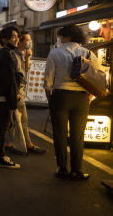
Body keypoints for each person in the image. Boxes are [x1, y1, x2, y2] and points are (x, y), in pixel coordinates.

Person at [44, 25, 98, 180]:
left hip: (61, 96)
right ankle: (77, 170)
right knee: (77, 136)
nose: (60, 39)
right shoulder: (88, 53)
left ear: (67, 36)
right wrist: (89, 97)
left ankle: (62, 169)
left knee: (60, 135)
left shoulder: (55, 52)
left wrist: (50, 97)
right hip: (81, 98)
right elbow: (97, 77)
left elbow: (48, 79)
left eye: (61, 36)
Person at [5, 32, 46, 155]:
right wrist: (16, 92)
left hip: (20, 89)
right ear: (20, 41)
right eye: (27, 40)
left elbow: (26, 69)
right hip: (16, 90)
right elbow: (14, 75)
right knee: (21, 118)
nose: (29, 42)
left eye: (30, 40)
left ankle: (10, 144)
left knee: (14, 118)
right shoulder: (13, 54)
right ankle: (26, 144)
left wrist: (28, 57)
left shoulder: (23, 54)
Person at [0, 26, 21, 169]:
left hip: (3, 95)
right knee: (4, 125)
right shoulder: (6, 54)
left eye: (17, 36)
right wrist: (13, 97)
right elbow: (9, 79)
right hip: (5, 95)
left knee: (4, 125)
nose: (17, 39)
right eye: (14, 36)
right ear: (5, 39)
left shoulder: (4, 53)